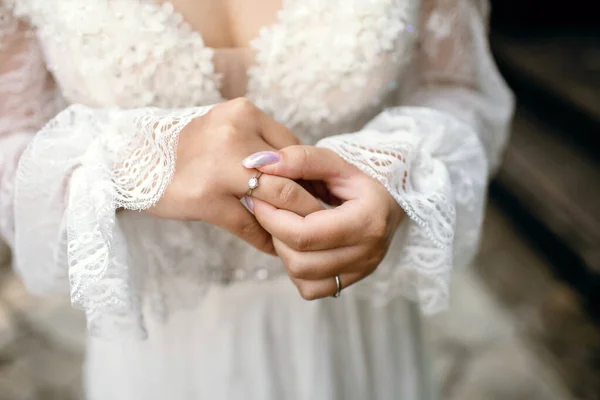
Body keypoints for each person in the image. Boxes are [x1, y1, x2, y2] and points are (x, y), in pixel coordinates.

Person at [0, 0, 514, 398]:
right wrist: (140, 157)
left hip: (353, 328)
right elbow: (11, 139)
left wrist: (399, 167)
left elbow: (458, 89)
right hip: (161, 345)